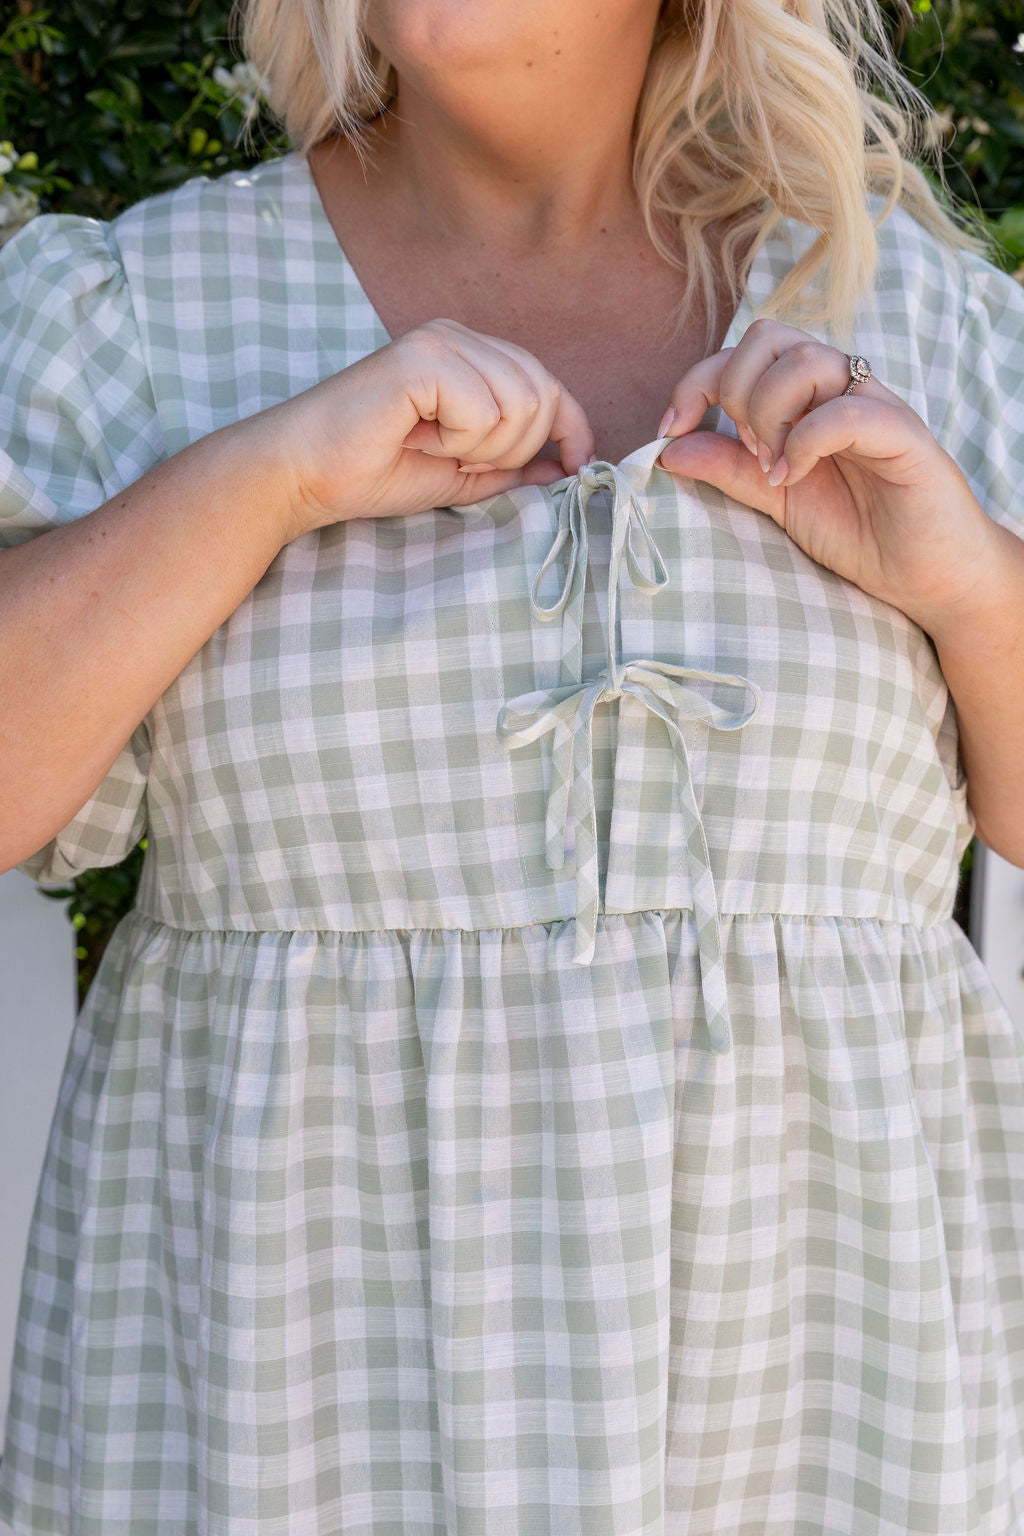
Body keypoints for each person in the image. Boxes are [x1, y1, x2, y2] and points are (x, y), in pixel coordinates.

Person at [1, 0, 1023, 1529]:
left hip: (821, 1403)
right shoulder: (138, 315)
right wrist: (270, 478)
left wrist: (970, 585)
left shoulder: (928, 325)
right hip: (299, 1404)